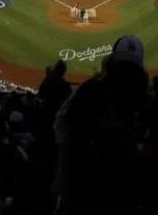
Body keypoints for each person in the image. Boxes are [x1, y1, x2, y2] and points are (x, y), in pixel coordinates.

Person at [53, 36, 149, 215]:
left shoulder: (140, 98)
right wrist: (62, 172)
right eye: (122, 64)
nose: (125, 71)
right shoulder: (91, 89)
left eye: (130, 67)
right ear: (113, 63)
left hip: (120, 185)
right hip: (86, 180)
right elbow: (67, 127)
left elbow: (64, 124)